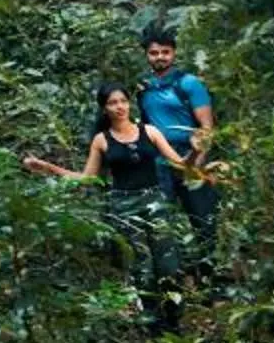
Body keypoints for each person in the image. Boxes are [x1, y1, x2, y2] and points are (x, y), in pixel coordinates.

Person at [19, 82, 198, 329]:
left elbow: (181, 165)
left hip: (155, 202)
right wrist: (47, 168)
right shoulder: (101, 140)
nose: (119, 107)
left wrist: (196, 151)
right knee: (142, 270)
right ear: (104, 108)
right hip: (124, 206)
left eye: (123, 101)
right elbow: (87, 178)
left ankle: (175, 321)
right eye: (112, 103)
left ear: (129, 103)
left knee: (169, 265)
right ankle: (155, 328)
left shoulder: (150, 131)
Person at [137, 21, 221, 265]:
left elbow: (206, 127)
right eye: (154, 53)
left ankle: (212, 282)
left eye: (165, 52)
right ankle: (173, 279)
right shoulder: (144, 87)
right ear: (147, 55)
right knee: (161, 223)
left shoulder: (189, 84)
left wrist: (197, 165)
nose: (160, 57)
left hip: (191, 157)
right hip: (159, 162)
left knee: (203, 221)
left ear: (173, 53)